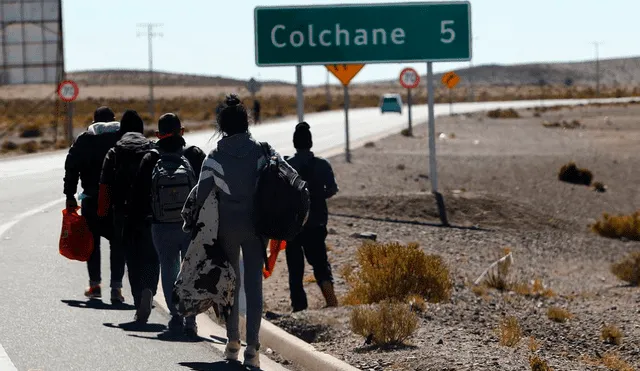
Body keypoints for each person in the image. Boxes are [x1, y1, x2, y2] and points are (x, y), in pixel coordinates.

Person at [185, 94, 293, 368]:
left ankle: (232, 343)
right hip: (257, 228)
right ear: (247, 122)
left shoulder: (214, 156)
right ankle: (253, 350)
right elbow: (285, 177)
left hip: (226, 229)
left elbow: (200, 196)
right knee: (254, 289)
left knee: (231, 287)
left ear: (221, 125)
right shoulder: (263, 150)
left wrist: (190, 222)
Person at [129, 113, 206, 337]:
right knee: (190, 269)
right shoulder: (194, 155)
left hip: (161, 226)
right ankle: (191, 319)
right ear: (182, 132)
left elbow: (139, 196)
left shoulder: (150, 159)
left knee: (168, 267)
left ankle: (176, 316)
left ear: (157, 135)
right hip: (190, 225)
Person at [97, 110, 159, 323]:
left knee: (131, 258)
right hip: (149, 212)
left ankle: (138, 299)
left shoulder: (114, 152)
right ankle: (150, 288)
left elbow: (104, 186)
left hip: (122, 213)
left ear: (121, 130)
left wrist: (102, 215)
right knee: (151, 255)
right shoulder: (152, 149)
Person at [63, 106, 126, 304]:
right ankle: (117, 288)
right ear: (114, 120)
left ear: (94, 121)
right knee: (118, 243)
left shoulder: (85, 139)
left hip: (91, 199)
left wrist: (70, 195)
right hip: (117, 201)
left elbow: (71, 167)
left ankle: (95, 285)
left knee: (93, 244)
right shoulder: (122, 138)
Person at [284, 122, 339, 312]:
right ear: (310, 142)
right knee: (321, 264)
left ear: (295, 143)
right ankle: (331, 302)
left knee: (295, 267)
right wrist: (317, 196)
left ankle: (299, 308)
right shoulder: (322, 164)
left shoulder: (288, 165)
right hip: (317, 222)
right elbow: (332, 189)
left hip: (294, 224)